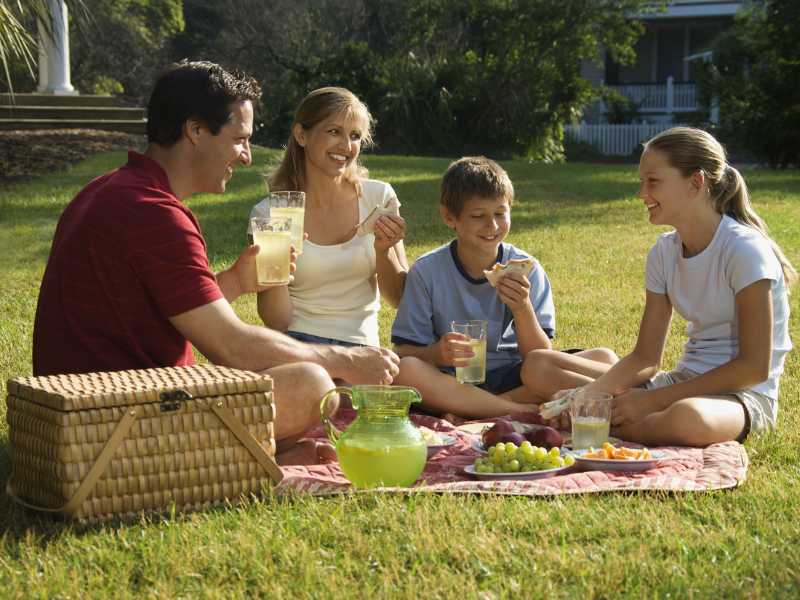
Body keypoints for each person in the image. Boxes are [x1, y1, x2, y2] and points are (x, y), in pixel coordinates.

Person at [32, 60, 399, 464]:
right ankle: (238, 457)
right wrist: (346, 360)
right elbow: (232, 346)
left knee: (297, 381)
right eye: (240, 139)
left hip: (82, 411)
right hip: (112, 421)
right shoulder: (153, 214)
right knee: (310, 383)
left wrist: (238, 281)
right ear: (195, 131)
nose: (245, 157)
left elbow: (160, 314)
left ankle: (260, 452)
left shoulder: (109, 190)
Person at [525, 127, 795, 446]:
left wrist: (651, 402)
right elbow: (645, 358)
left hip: (741, 397)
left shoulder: (744, 250)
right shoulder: (664, 252)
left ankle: (601, 423)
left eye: (653, 182)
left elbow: (753, 368)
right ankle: (603, 416)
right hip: (681, 384)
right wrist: (591, 393)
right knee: (539, 366)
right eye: (642, 182)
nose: (642, 193)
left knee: (688, 420)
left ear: (695, 182)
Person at [390, 156, 617, 418]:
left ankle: (476, 409)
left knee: (604, 358)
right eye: (479, 216)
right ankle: (518, 410)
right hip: (451, 379)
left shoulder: (527, 268)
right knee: (406, 370)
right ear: (449, 217)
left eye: (500, 213)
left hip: (515, 376)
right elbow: (404, 350)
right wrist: (437, 353)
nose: (493, 226)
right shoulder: (427, 271)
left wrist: (522, 308)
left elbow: (539, 355)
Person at [250, 87, 408, 349]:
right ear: (301, 135)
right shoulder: (272, 212)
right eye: (334, 131)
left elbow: (399, 298)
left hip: (361, 348)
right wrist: (277, 266)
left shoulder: (378, 197)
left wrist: (384, 251)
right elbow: (276, 322)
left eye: (355, 136)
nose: (346, 146)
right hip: (298, 347)